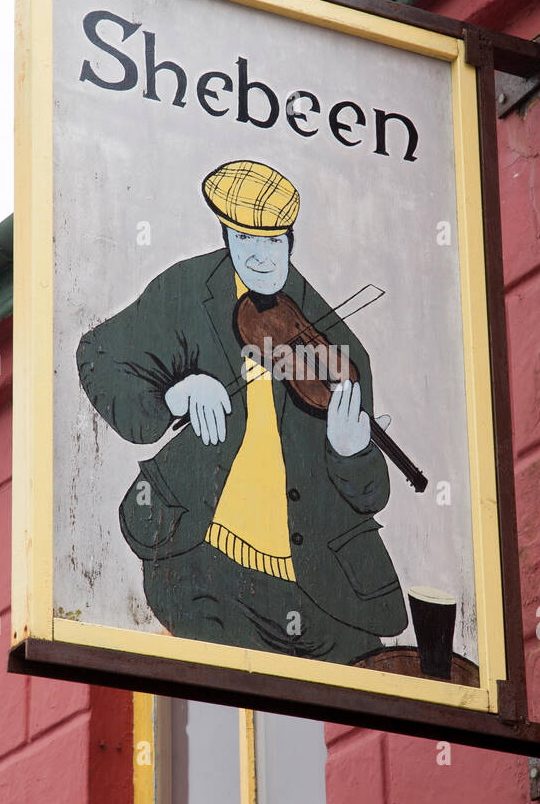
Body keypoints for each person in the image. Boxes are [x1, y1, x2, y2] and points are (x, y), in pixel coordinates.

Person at [76, 158, 407, 665]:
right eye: (243, 238)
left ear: (291, 243)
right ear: (225, 236)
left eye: (272, 241)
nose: (258, 256)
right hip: (206, 566)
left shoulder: (335, 345)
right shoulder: (187, 292)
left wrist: (351, 452)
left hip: (321, 589)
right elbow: (101, 357)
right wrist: (174, 395)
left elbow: (371, 494)